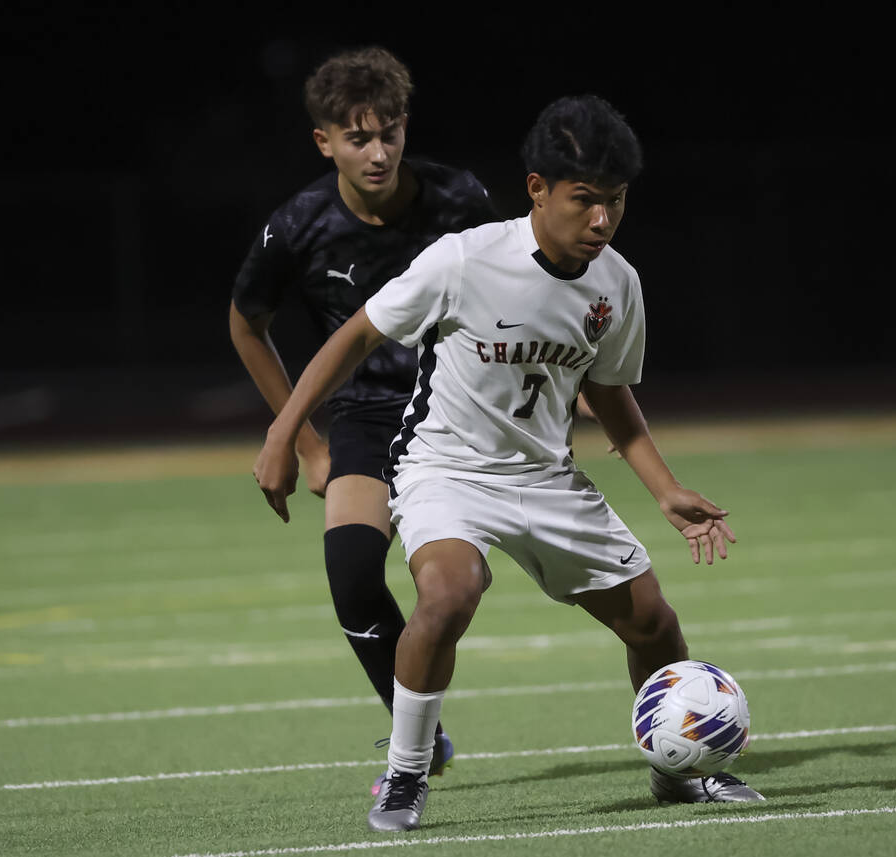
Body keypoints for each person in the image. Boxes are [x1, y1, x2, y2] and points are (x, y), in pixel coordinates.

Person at [253, 94, 764, 833]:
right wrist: (285, 432)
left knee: (654, 622)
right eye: (584, 200)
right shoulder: (464, 259)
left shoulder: (617, 283)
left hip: (544, 477)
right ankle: (405, 772)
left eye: (615, 203)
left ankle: (676, 772)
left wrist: (665, 488)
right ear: (537, 189)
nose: (600, 220)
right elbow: (357, 336)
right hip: (446, 469)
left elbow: (608, 391)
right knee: (450, 593)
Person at [229, 46, 498, 787]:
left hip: (461, 413)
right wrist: (306, 440)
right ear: (324, 141)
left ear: (406, 127)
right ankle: (418, 730)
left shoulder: (460, 200)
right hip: (369, 418)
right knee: (351, 575)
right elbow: (246, 323)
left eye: (390, 133)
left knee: (470, 582)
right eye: (357, 138)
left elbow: (516, 286)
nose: (377, 153)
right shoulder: (301, 225)